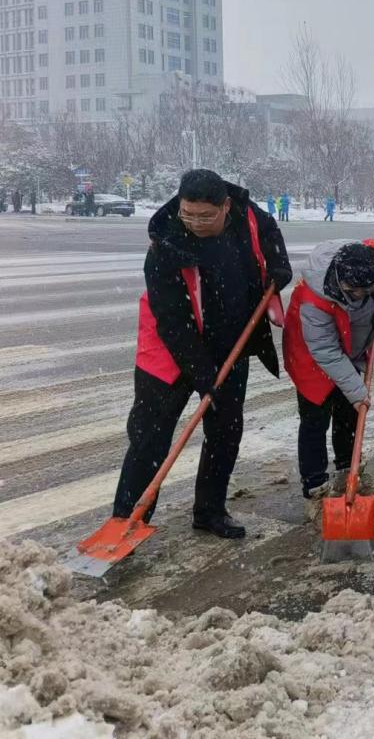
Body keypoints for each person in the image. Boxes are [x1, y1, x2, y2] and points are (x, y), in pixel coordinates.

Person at [111, 169, 291, 539]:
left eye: (205, 216)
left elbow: (270, 231)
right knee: (150, 437)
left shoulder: (248, 213)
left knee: (226, 431)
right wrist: (204, 374)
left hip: (231, 342)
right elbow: (173, 322)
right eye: (187, 213)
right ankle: (126, 521)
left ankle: (209, 511)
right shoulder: (165, 247)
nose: (195, 222)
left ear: (225, 206)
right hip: (170, 350)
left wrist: (278, 266)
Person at [283, 239, 374, 508]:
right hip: (311, 355)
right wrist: (356, 391)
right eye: (351, 291)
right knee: (315, 419)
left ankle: (348, 474)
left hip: (350, 347)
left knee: (349, 416)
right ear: (339, 280)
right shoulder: (313, 300)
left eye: (366, 290)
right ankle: (316, 488)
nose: (358, 295)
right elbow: (325, 351)